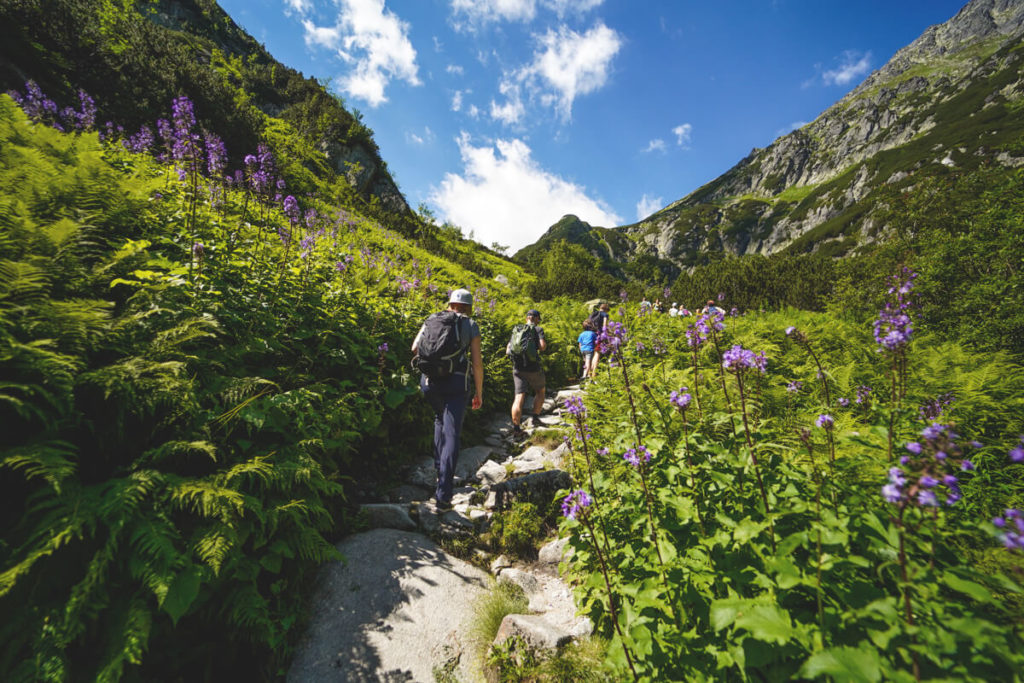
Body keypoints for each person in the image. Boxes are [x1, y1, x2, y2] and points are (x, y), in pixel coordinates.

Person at [411, 288, 483, 510]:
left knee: (439, 419)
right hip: (456, 384)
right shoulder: (470, 325)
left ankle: (438, 469)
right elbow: (477, 363)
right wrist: (479, 392)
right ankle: (443, 494)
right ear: (469, 308)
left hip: (429, 382)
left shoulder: (432, 319)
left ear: (449, 303)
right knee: (452, 432)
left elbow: (414, 348)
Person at [507, 309, 547, 438]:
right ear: (536, 319)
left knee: (518, 397)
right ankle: (535, 418)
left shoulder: (517, 329)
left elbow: (508, 350)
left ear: (526, 318)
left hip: (517, 368)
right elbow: (542, 347)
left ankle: (517, 429)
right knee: (540, 391)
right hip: (533, 367)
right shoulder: (538, 329)